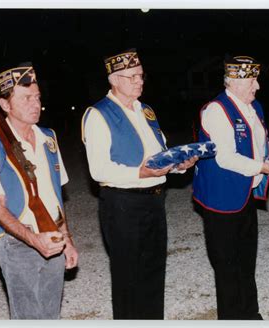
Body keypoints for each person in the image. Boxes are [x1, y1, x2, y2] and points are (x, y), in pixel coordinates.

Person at [81, 49, 196, 319]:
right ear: (114, 80)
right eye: (131, 76)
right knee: (128, 279)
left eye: (141, 76)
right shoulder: (98, 115)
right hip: (123, 205)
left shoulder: (146, 111)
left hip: (155, 201)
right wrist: (140, 174)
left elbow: (160, 154)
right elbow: (99, 170)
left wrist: (180, 165)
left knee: (154, 273)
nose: (139, 81)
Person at [192, 55, 269, 320]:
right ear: (236, 82)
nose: (258, 86)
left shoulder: (253, 107)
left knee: (246, 259)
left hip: (244, 196)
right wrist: (266, 168)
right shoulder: (217, 110)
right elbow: (226, 157)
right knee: (227, 266)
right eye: (253, 80)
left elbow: (262, 144)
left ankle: (250, 314)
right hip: (221, 199)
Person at [0, 63, 78, 319]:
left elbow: (54, 199)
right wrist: (32, 239)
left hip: (53, 239)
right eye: (26, 98)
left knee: (51, 316)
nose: (35, 103)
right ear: (5, 105)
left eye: (38, 97)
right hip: (17, 246)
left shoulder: (48, 138)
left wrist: (67, 240)